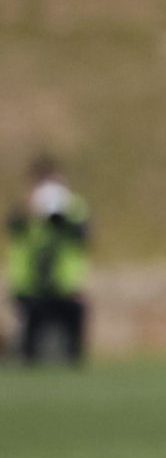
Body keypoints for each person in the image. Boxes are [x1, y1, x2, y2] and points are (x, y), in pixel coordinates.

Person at [6, 155, 92, 367]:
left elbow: (83, 235)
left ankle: (72, 359)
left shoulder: (74, 209)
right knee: (29, 348)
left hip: (66, 285)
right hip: (30, 286)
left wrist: (65, 213)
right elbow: (14, 229)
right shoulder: (26, 211)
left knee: (73, 342)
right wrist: (31, 210)